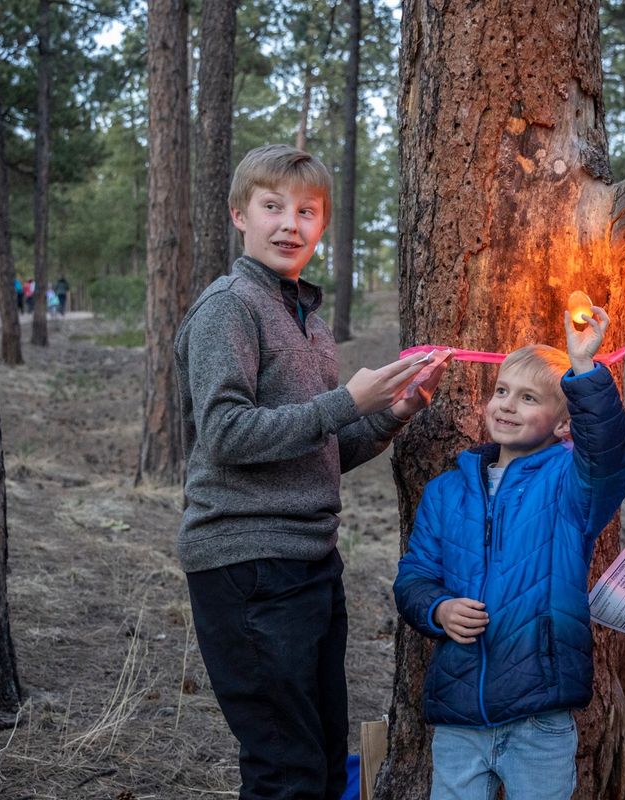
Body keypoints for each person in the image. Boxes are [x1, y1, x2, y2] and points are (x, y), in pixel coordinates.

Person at [175, 143, 447, 800]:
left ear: (323, 225)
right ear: (241, 214)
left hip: (311, 566)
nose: (289, 224)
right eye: (273, 207)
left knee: (324, 762)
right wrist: (347, 400)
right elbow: (226, 433)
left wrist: (392, 413)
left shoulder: (310, 321)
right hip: (247, 567)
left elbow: (321, 449)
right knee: (285, 771)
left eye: (307, 211)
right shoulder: (229, 307)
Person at [393, 308, 625, 800]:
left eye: (529, 399)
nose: (506, 406)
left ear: (563, 422)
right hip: (460, 715)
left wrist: (586, 370)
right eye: (502, 391)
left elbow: (610, 457)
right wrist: (437, 609)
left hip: (539, 716)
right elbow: (414, 576)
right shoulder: (447, 492)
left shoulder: (571, 487)